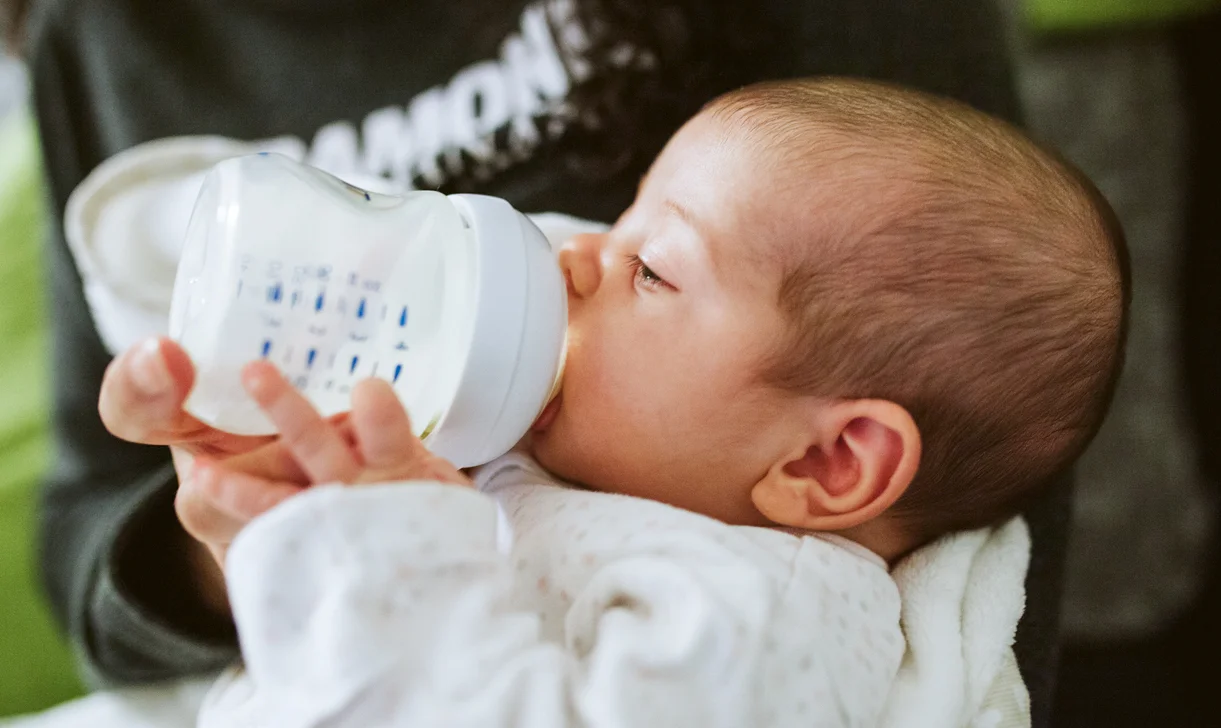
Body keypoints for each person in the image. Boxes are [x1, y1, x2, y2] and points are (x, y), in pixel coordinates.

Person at [8, 0, 1068, 719]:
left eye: (648, 266)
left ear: (827, 462)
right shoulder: (95, 37)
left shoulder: (754, 615)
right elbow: (83, 524)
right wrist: (242, 529)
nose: (572, 252)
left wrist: (391, 561)